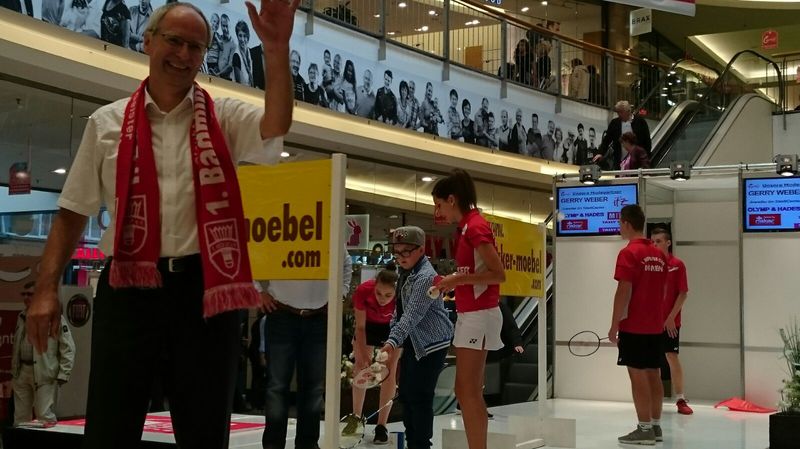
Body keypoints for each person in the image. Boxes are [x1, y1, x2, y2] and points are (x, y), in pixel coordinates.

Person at [25, 2, 297, 448]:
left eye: (196, 46)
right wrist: (45, 290)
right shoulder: (107, 123)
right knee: (111, 426)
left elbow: (276, 123)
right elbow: (73, 211)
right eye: (174, 41)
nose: (184, 54)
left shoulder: (224, 117)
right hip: (129, 289)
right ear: (148, 41)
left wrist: (276, 48)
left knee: (204, 429)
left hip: (206, 290)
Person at [432, 169, 506, 449]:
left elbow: (498, 274)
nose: (438, 211)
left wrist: (458, 280)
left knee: (468, 391)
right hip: (472, 313)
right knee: (467, 390)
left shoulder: (475, 227)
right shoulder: (467, 228)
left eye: (439, 204)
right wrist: (454, 281)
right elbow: (477, 272)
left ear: (452, 199)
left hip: (479, 313)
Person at [259, 250, 352, 449]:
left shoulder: (328, 231)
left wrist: (341, 294)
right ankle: (273, 445)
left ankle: (307, 444)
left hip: (318, 315)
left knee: (313, 387)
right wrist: (258, 291)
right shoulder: (283, 232)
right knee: (278, 386)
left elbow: (346, 262)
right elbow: (255, 254)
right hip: (281, 312)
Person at [381, 227, 453, 449]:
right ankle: (413, 441)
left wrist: (392, 341)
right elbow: (400, 310)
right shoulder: (406, 272)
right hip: (413, 340)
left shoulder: (425, 277)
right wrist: (392, 337)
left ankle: (420, 444)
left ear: (421, 250)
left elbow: (412, 315)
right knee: (406, 394)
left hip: (431, 343)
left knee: (420, 396)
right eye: (397, 252)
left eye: (406, 251)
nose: (400, 257)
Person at [608, 205, 668, 445]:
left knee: (637, 375)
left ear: (626, 223)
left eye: (619, 223)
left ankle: (644, 429)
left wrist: (614, 324)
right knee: (654, 373)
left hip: (634, 325)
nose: (619, 228)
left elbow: (623, 290)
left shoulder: (628, 253)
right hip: (655, 325)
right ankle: (655, 426)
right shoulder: (659, 255)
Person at [12, 281, 75, 427]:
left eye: (30, 294)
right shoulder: (21, 316)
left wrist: (64, 373)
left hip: (45, 372)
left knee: (44, 415)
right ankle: (20, 439)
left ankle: (48, 439)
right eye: (24, 294)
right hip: (22, 371)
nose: (26, 297)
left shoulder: (54, 318)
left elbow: (68, 347)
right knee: (20, 417)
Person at [351, 265, 401, 444]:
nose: (382, 299)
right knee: (360, 367)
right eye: (379, 293)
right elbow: (360, 327)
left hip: (393, 328)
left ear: (395, 293)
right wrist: (365, 356)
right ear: (374, 286)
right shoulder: (363, 291)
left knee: (389, 371)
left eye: (388, 295)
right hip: (368, 325)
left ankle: (381, 425)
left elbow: (402, 326)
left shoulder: (402, 297)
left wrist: (390, 348)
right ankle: (356, 419)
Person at [651, 228, 693, 415]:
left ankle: (680, 399)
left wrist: (670, 318)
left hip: (671, 323)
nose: (655, 244)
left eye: (659, 241)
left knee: (671, 357)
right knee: (653, 361)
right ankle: (655, 400)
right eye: (653, 241)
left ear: (668, 243)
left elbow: (683, 293)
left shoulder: (677, 265)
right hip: (651, 322)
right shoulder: (650, 265)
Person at [596, 100, 652, 170]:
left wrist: (645, 159)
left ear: (628, 111)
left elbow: (647, 141)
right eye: (618, 112)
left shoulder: (640, 122)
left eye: (621, 112)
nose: (619, 114)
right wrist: (600, 153)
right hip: (619, 161)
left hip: (637, 163)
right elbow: (606, 140)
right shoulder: (614, 123)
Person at [233, 21, 255, 87]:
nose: (242, 39)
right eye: (240, 36)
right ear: (237, 36)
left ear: (248, 36)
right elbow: (238, 85)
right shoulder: (236, 56)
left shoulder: (250, 52)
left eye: (244, 36)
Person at [217, 14, 238, 81]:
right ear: (221, 26)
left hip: (226, 80)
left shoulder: (233, 44)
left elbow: (230, 67)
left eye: (227, 26)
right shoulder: (218, 39)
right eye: (223, 26)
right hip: (214, 77)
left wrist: (218, 74)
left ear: (230, 26)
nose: (225, 29)